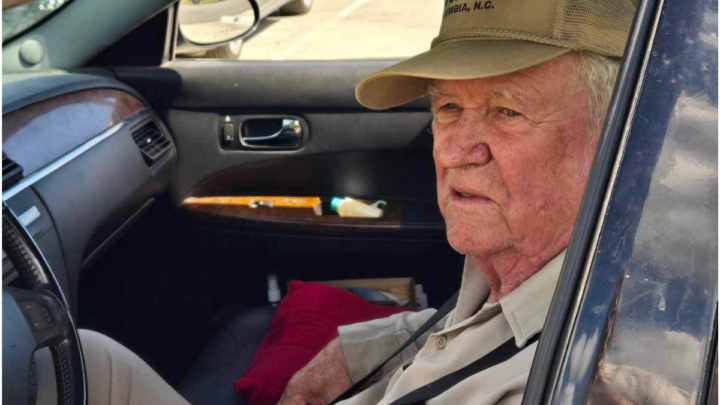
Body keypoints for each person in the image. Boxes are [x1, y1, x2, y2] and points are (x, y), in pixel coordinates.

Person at [43, 0, 637, 403]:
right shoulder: (534, 262)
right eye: (448, 107)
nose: (455, 151)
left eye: (507, 112)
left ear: (619, 136)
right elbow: (468, 330)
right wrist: (358, 350)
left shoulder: (583, 367)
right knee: (80, 358)